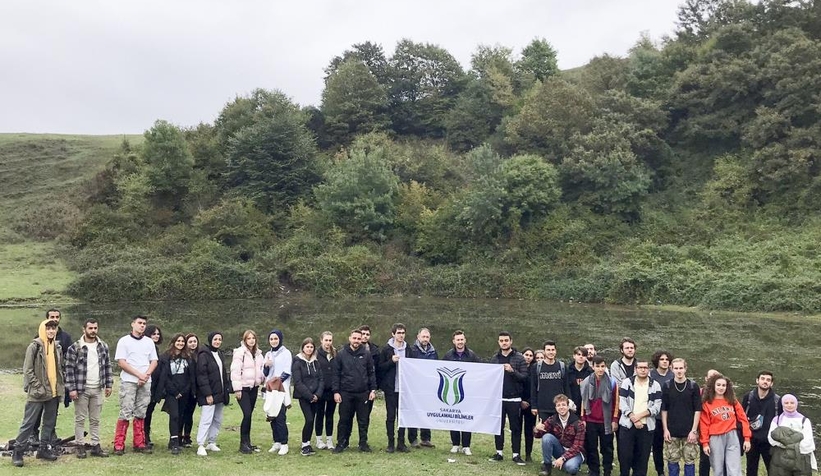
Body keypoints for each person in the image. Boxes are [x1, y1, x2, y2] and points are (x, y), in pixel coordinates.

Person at [11, 319, 64, 467]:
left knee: (49, 423)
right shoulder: (34, 347)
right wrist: (38, 386)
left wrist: (60, 386)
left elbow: (60, 369)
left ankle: (43, 449)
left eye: (53, 328)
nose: (51, 331)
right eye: (48, 328)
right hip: (37, 393)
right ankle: (18, 451)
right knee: (29, 423)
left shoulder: (57, 347)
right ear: (43, 330)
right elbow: (27, 370)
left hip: (53, 392)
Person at [65, 318, 113, 459]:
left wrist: (109, 384)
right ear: (84, 329)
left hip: (97, 388)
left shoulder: (103, 346)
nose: (93, 331)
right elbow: (68, 370)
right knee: (80, 419)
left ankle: (95, 445)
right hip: (81, 389)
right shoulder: (75, 347)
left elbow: (107, 366)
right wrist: (72, 389)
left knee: (95, 419)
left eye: (95, 328)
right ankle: (80, 445)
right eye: (90, 328)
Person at [113, 315, 158, 456]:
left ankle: (139, 443)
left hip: (145, 381)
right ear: (133, 324)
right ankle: (119, 444)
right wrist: (139, 375)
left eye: (144, 323)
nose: (142, 326)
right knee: (126, 411)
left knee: (141, 412)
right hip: (129, 381)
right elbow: (121, 362)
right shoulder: (124, 341)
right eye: (139, 323)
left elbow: (154, 361)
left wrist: (146, 375)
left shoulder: (149, 342)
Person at [30, 309, 72, 448]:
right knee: (37, 410)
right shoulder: (38, 339)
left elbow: (69, 356)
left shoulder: (65, 337)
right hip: (42, 382)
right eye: (52, 317)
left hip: (57, 380)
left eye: (57, 317)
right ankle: (33, 434)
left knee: (53, 411)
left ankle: (50, 435)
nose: (55, 319)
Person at [332, 328, 377, 454]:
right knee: (344, 420)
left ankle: (363, 443)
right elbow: (336, 374)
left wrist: (372, 389)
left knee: (363, 420)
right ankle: (342, 443)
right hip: (346, 392)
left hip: (363, 393)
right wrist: (336, 391)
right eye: (354, 338)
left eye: (359, 338)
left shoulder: (367, 354)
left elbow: (371, 373)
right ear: (350, 338)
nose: (356, 341)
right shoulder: (341, 354)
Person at [488, 331, 529, 466]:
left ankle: (516, 454)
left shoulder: (519, 358)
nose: (504, 342)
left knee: (515, 428)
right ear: (498, 342)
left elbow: (524, 377)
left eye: (506, 340)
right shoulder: (495, 358)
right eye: (501, 340)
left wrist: (512, 371)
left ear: (511, 341)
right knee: (498, 427)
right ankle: (499, 452)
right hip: (498, 399)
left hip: (514, 399)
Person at [699, 373, 752, 476]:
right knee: (718, 469)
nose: (721, 388)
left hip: (732, 435)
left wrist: (747, 438)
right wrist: (705, 443)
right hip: (715, 437)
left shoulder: (732, 401)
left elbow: (743, 418)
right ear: (713, 386)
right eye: (718, 385)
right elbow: (704, 424)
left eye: (724, 385)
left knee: (734, 468)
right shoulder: (707, 403)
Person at [618, 357, 662, 476]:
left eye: (645, 368)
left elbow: (657, 407)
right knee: (625, 458)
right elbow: (622, 403)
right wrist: (633, 417)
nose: (643, 370)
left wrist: (640, 416)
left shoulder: (655, 385)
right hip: (628, 426)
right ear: (636, 369)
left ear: (649, 369)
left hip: (646, 427)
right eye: (640, 367)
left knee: (642, 460)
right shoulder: (627, 382)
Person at [154, 333, 196, 455]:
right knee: (174, 416)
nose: (180, 343)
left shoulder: (188, 357)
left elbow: (190, 376)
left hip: (184, 392)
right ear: (173, 342)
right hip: (171, 392)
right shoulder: (165, 357)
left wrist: (185, 391)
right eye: (178, 341)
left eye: (183, 341)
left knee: (182, 416)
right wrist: (174, 391)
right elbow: (164, 377)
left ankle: (175, 440)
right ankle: (174, 442)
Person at [442, 329, 481, 456]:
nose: (460, 342)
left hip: (467, 392)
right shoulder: (448, 355)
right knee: (453, 416)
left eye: (461, 339)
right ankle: (455, 444)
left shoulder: (472, 355)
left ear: (465, 340)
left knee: (466, 418)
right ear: (453, 341)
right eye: (457, 340)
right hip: (452, 391)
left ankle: (466, 445)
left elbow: (479, 370)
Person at [378, 323, 415, 453]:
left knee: (402, 416)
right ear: (393, 334)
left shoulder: (408, 349)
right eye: (398, 333)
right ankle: (390, 443)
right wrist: (391, 361)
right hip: (391, 388)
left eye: (403, 333)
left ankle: (401, 442)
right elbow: (380, 368)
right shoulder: (386, 349)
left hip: (404, 389)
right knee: (391, 416)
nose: (401, 335)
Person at [661, 358, 701, 476]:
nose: (679, 371)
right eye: (676, 368)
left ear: (685, 369)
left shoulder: (693, 386)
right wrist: (665, 429)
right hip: (672, 430)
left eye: (681, 368)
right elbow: (664, 409)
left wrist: (694, 430)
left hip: (689, 430)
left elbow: (697, 410)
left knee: (689, 460)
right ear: (671, 369)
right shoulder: (667, 386)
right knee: (672, 459)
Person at [580, 356, 619, 476]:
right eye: (597, 366)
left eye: (602, 366)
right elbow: (583, 401)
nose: (600, 369)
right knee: (591, 447)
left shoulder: (612, 382)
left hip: (606, 420)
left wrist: (615, 419)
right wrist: (583, 418)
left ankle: (607, 470)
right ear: (593, 367)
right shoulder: (586, 382)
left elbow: (616, 402)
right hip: (591, 419)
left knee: (607, 448)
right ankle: (594, 470)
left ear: (605, 367)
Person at [195, 331, 231, 456]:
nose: (217, 341)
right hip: (209, 394)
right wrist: (207, 394)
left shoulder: (219, 354)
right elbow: (202, 376)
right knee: (206, 419)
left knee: (217, 419)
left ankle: (211, 441)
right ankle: (200, 444)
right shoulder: (204, 354)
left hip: (220, 393)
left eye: (220, 339)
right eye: (215, 339)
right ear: (210, 340)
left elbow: (222, 374)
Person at [534, 394, 587, 476]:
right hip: (561, 449)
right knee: (547, 437)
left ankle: (570, 465)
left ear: (568, 406)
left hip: (575, 452)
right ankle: (547, 467)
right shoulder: (552, 419)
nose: (561, 407)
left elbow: (578, 446)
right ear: (555, 408)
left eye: (563, 405)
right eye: (558, 405)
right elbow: (539, 435)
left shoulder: (578, 423)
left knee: (570, 467)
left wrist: (563, 458)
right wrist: (537, 429)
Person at [741, 371, 782, 476]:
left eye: (768, 380)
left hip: (769, 442)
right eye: (763, 379)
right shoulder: (748, 397)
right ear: (757, 380)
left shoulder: (777, 400)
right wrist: (744, 438)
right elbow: (742, 418)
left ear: (771, 383)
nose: (765, 382)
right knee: (751, 469)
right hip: (751, 440)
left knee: (772, 470)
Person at [230, 330, 264, 454]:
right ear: (245, 340)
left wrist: (262, 380)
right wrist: (237, 388)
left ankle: (248, 442)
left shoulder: (259, 354)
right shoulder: (240, 353)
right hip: (243, 388)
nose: (251, 340)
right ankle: (243, 444)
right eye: (248, 338)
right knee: (247, 414)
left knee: (249, 416)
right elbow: (235, 370)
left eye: (253, 338)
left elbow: (261, 369)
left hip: (253, 388)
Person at [767, 394, 817, 476]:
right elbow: (771, 439)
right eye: (786, 403)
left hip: (800, 459)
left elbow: (808, 442)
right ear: (782, 404)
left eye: (792, 403)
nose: (789, 405)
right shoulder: (777, 420)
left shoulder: (804, 421)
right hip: (780, 459)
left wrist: (789, 446)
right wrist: (791, 444)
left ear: (796, 404)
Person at [292, 337, 324, 456]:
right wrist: (309, 396)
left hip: (316, 396)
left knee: (312, 420)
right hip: (304, 396)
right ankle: (304, 445)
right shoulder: (297, 362)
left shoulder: (316, 362)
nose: (309, 349)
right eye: (307, 347)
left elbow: (321, 379)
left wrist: (317, 394)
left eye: (311, 347)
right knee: (309, 419)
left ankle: (308, 443)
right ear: (303, 348)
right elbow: (298, 382)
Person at [263, 329, 292, 455]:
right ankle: (276, 442)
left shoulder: (286, 353)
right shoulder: (268, 354)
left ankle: (284, 443)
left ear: (280, 339)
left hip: (280, 390)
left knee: (280, 417)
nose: (273, 341)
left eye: (276, 339)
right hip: (270, 390)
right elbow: (264, 374)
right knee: (272, 416)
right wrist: (266, 366)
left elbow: (287, 372)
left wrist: (276, 382)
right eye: (271, 339)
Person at [408, 327, 437, 448]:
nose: (425, 339)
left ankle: (425, 438)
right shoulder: (411, 350)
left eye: (427, 337)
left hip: (428, 387)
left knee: (427, 411)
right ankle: (413, 438)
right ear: (418, 337)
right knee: (414, 411)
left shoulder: (433, 351)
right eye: (423, 337)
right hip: (414, 386)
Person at [532, 340, 570, 421]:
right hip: (543, 406)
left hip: (559, 407)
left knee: (559, 432)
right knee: (545, 432)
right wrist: (534, 406)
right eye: (548, 350)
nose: (551, 352)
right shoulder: (537, 367)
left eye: (553, 350)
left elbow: (566, 387)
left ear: (555, 351)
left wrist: (568, 404)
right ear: (544, 352)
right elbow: (533, 387)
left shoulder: (562, 366)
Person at [652, 350, 675, 476]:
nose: (665, 361)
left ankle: (673, 469)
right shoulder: (651, 375)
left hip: (671, 417)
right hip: (655, 417)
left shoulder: (673, 375)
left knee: (671, 445)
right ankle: (660, 471)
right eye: (662, 359)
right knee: (657, 446)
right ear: (657, 361)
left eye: (667, 359)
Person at [315, 331, 337, 450]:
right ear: (321, 340)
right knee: (319, 415)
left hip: (332, 390)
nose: (328, 343)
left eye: (330, 340)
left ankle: (329, 440)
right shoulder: (316, 354)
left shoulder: (335, 354)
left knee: (330, 415)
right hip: (320, 390)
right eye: (326, 340)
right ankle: (319, 439)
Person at [143, 324, 163, 450]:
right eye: (153, 334)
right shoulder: (146, 348)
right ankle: (142, 437)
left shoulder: (155, 348)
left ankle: (146, 435)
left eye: (157, 334)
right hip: (146, 382)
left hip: (155, 385)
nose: (156, 336)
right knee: (143, 412)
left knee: (149, 411)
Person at [180, 333, 200, 448]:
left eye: (194, 341)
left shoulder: (200, 355)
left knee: (189, 414)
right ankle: (178, 436)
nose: (193, 344)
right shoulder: (183, 356)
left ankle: (187, 436)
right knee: (181, 414)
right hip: (184, 389)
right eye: (190, 342)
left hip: (194, 390)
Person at [700, 369, 721, 476]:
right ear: (706, 379)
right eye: (711, 377)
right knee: (704, 460)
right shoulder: (699, 392)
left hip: (719, 431)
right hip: (703, 430)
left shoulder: (724, 394)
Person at [521, 347, 537, 462]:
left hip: (530, 404)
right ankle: (516, 452)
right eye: (526, 355)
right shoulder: (518, 368)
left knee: (529, 430)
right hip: (518, 402)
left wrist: (529, 402)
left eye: (531, 355)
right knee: (516, 429)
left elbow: (537, 388)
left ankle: (528, 454)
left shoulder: (535, 370)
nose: (528, 357)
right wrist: (520, 401)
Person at [567, 346, 593, 413]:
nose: (581, 357)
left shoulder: (591, 372)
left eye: (583, 355)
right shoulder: (567, 371)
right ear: (574, 356)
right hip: (571, 406)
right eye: (578, 354)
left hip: (586, 407)